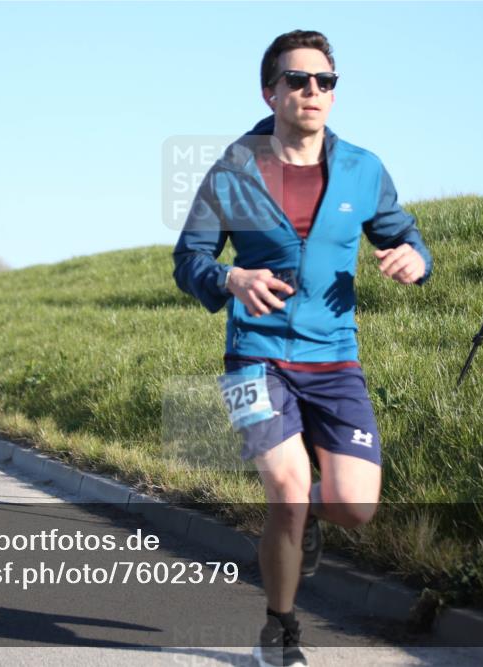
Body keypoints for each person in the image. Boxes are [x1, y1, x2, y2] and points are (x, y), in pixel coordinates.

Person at [172, 30, 432, 667]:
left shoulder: (363, 168)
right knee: (287, 492)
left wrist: (414, 261)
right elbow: (188, 259)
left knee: (355, 506)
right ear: (271, 91)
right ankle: (280, 628)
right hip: (255, 355)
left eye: (325, 82)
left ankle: (312, 518)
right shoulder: (234, 169)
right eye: (298, 80)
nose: (313, 91)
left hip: (336, 357)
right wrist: (230, 277)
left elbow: (406, 236)